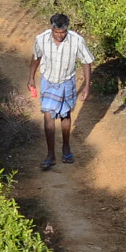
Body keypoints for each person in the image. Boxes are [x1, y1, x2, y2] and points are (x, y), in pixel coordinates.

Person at [29, 12, 93, 171]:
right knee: (48, 115)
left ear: (67, 29)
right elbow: (36, 57)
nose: (59, 36)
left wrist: (87, 85)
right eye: (56, 32)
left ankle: (66, 148)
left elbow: (86, 62)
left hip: (67, 82)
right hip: (48, 81)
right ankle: (50, 154)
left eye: (62, 32)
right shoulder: (41, 39)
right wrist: (31, 77)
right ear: (51, 29)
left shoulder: (77, 40)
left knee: (65, 115)